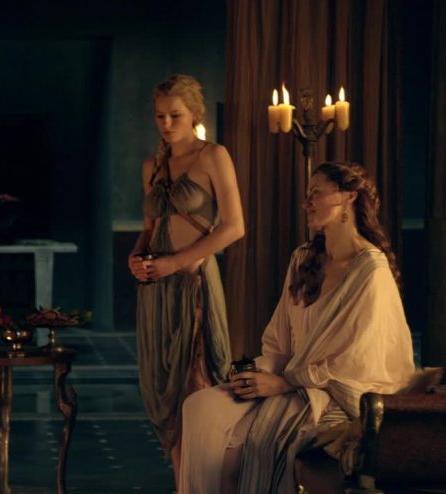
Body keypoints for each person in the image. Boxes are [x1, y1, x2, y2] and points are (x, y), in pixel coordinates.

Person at [179, 162, 415, 494]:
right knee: (199, 407)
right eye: (307, 194)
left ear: (349, 197)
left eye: (316, 193)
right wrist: (254, 372)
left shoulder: (370, 271)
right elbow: (279, 342)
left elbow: (355, 364)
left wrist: (284, 383)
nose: (306, 202)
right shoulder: (303, 258)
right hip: (291, 379)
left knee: (233, 454)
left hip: (337, 391)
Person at [128, 74, 245, 491]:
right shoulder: (152, 166)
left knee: (196, 389)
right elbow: (150, 227)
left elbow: (234, 227)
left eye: (175, 115)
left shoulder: (214, 155)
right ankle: (183, 485)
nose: (166, 123)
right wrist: (135, 256)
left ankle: (204, 486)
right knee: (166, 392)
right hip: (155, 288)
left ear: (194, 114)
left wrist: (175, 262)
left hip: (193, 283)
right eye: (159, 115)